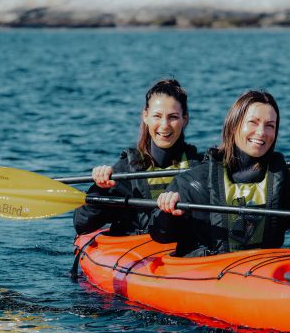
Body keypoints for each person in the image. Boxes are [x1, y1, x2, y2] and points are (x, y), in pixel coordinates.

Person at [150, 90, 290, 257]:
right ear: (234, 126)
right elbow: (160, 235)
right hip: (205, 275)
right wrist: (167, 214)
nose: (261, 132)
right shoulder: (194, 181)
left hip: (262, 274)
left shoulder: (284, 182)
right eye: (253, 122)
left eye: (270, 125)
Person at [74, 79, 203, 236]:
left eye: (173, 117)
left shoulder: (200, 168)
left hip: (183, 252)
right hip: (136, 251)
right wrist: (99, 190)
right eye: (157, 116)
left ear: (185, 119)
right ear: (145, 116)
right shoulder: (125, 171)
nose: (164, 125)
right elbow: (82, 225)